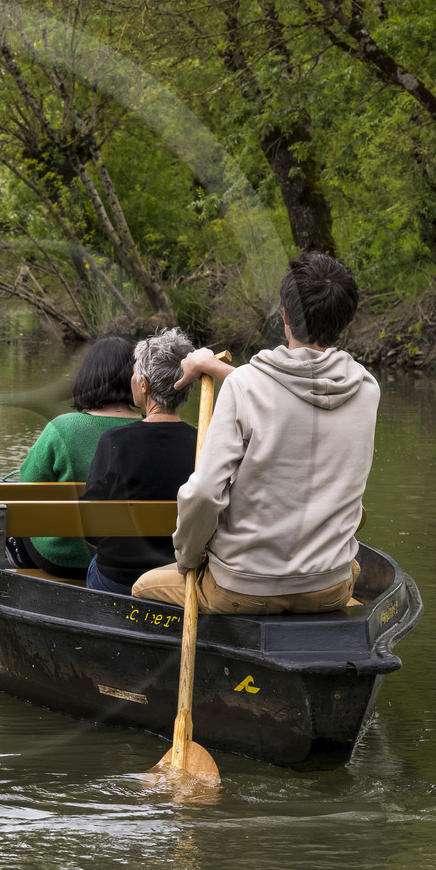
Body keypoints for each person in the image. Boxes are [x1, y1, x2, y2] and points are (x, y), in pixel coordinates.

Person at [132, 253, 378, 615]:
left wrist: (186, 554)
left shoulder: (245, 388)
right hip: (329, 587)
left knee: (141, 589)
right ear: (346, 320)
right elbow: (285, 397)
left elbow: (203, 494)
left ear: (284, 316)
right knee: (350, 569)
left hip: (242, 589)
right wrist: (212, 366)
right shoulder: (367, 389)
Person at [7, 337, 140, 578]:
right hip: (128, 562)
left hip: (63, 558)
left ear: (87, 378)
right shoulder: (150, 428)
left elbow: (27, 487)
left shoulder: (63, 428)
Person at [82, 328, 199, 595]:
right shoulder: (204, 443)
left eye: (135, 375)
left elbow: (91, 530)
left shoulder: (115, 441)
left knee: (94, 565)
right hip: (178, 578)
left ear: (144, 384)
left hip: (119, 580)